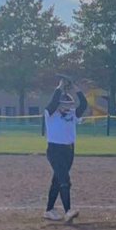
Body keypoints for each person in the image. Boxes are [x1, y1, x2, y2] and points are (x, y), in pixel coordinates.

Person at [44, 77, 88, 222]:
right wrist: (60, 87)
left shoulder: (72, 114)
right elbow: (51, 104)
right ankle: (68, 211)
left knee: (57, 180)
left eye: (70, 104)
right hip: (55, 150)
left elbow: (84, 104)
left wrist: (76, 88)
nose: (68, 107)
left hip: (69, 151)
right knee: (65, 181)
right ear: (59, 104)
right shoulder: (50, 115)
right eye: (64, 104)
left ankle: (49, 210)